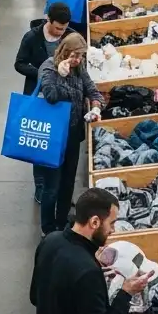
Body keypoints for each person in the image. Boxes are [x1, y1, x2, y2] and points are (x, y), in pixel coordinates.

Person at [36, 34, 103, 235]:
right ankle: (47, 229)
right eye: (74, 55)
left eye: (80, 56)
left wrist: (96, 107)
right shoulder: (48, 67)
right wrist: (60, 76)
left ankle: (62, 220)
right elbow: (50, 96)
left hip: (73, 135)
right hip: (53, 138)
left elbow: (93, 90)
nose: (76, 60)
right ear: (64, 51)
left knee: (67, 183)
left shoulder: (78, 68)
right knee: (52, 186)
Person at [15, 2, 72, 203]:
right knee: (39, 142)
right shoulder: (32, 38)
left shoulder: (70, 36)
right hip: (38, 96)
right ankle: (41, 186)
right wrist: (43, 71)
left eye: (64, 29)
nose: (60, 32)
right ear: (48, 20)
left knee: (60, 142)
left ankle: (59, 187)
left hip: (63, 97)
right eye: (57, 28)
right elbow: (19, 63)